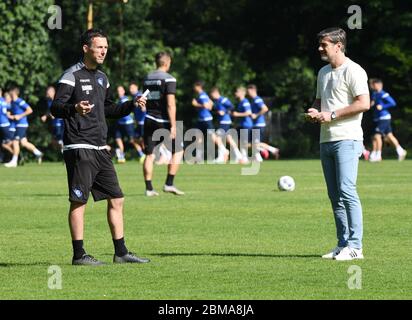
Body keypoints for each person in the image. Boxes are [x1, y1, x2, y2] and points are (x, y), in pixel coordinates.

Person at [51, 29, 150, 266]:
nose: (104, 51)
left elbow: (108, 109)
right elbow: (56, 107)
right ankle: (79, 255)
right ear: (86, 48)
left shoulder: (103, 78)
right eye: (99, 47)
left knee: (117, 198)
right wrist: (74, 108)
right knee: (79, 201)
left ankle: (121, 252)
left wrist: (131, 105)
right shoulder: (71, 76)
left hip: (99, 148)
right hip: (79, 146)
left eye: (106, 47)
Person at [306, 27, 370, 261]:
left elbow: (364, 103)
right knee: (334, 194)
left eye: (324, 44)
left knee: (347, 191)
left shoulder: (354, 70)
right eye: (320, 44)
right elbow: (320, 100)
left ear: (338, 45)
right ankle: (343, 243)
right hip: (327, 139)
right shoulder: (323, 71)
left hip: (348, 138)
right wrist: (315, 111)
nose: (320, 48)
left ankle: (356, 246)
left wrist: (331, 115)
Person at [141, 51, 185, 196]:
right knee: (178, 150)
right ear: (167, 63)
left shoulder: (147, 78)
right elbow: (171, 104)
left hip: (148, 119)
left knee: (149, 154)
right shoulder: (169, 79)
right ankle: (169, 184)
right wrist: (173, 125)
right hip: (163, 121)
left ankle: (149, 189)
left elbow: (144, 98)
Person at [4, 86, 43, 168]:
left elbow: (30, 110)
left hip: (21, 124)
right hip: (18, 125)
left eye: (10, 92)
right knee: (24, 143)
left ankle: (14, 162)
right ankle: (38, 153)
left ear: (14, 93)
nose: (9, 94)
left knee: (15, 142)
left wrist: (20, 116)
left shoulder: (19, 101)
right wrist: (11, 116)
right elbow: (12, 113)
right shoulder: (12, 103)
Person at [369, 79, 407, 162]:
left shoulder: (383, 94)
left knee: (377, 135)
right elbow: (374, 102)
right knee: (389, 135)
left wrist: (383, 107)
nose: (372, 86)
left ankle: (378, 155)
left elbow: (393, 103)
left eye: (374, 85)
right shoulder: (375, 94)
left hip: (384, 118)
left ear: (379, 85)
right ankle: (401, 151)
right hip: (378, 118)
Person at [192, 81, 229, 163]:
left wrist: (196, 104)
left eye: (195, 86)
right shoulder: (203, 95)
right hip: (201, 119)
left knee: (213, 137)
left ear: (198, 86)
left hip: (206, 119)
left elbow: (206, 106)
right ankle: (198, 158)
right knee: (198, 137)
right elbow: (211, 104)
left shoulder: (202, 95)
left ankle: (224, 150)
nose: (194, 88)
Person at [209, 87, 243, 163]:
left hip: (225, 122)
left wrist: (224, 112)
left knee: (216, 138)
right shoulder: (216, 101)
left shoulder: (223, 99)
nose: (211, 96)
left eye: (212, 95)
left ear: (215, 93)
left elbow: (231, 107)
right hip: (222, 122)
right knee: (229, 139)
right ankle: (239, 156)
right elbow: (217, 111)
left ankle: (224, 153)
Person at [247, 84, 280, 161]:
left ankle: (270, 151)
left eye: (248, 91)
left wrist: (256, 115)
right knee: (253, 143)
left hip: (259, 124)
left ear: (253, 90)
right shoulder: (253, 100)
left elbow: (265, 108)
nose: (247, 93)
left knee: (255, 142)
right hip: (256, 124)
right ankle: (265, 153)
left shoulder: (257, 99)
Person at [113, 85, 145, 163]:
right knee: (118, 138)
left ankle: (142, 154)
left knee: (133, 140)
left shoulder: (126, 99)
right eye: (118, 91)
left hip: (128, 123)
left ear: (124, 91)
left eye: (120, 91)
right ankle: (121, 156)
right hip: (120, 123)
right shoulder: (119, 100)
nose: (119, 92)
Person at [232, 86, 254, 163]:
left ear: (242, 93)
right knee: (237, 141)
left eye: (237, 91)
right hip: (241, 125)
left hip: (246, 125)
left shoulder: (245, 102)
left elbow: (249, 112)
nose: (235, 93)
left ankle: (244, 157)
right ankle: (241, 157)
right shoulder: (240, 102)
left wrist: (237, 114)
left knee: (244, 143)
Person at [40, 85, 64, 152]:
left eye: (48, 92)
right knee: (54, 141)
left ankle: (66, 156)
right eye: (47, 92)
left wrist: (56, 114)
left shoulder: (58, 99)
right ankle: (64, 152)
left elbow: (63, 109)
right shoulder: (49, 101)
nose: (47, 94)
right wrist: (45, 116)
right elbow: (50, 110)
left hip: (60, 122)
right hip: (54, 122)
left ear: (53, 92)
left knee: (60, 139)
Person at [129, 82, 146, 162]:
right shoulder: (134, 97)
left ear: (136, 87)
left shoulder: (139, 95)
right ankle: (142, 154)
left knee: (143, 140)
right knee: (133, 140)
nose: (130, 90)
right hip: (138, 122)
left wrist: (143, 108)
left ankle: (147, 154)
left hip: (143, 122)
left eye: (132, 88)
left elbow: (143, 108)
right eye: (130, 88)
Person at [0, 90, 14, 160]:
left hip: (4, 124)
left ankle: (16, 156)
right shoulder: (3, 101)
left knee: (7, 143)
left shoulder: (3, 101)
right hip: (5, 124)